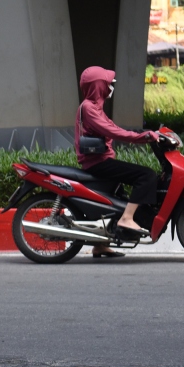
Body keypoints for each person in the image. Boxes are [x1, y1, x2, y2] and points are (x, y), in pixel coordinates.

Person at [74, 66, 162, 258]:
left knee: (116, 201)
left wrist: (145, 134)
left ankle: (100, 245)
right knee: (146, 175)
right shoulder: (89, 108)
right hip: (99, 164)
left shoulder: (95, 107)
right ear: (98, 85)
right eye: (108, 83)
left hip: (101, 160)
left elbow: (113, 127)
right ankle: (127, 218)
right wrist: (141, 138)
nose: (111, 86)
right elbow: (114, 132)